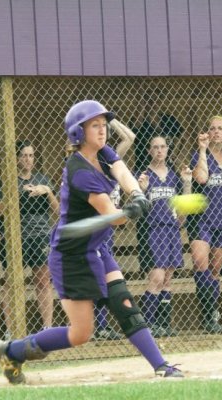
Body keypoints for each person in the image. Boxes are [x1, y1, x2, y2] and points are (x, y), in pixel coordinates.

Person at [0, 100, 183, 384]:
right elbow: (112, 216)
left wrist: (137, 194)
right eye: (95, 125)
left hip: (97, 247)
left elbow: (121, 170)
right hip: (72, 256)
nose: (102, 130)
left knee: (124, 303)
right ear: (77, 133)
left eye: (104, 125)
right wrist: (129, 212)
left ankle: (160, 365)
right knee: (81, 333)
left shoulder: (102, 153)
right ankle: (12, 350)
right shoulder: (79, 171)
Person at [0, 140, 59, 339]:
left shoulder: (42, 179)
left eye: (31, 155)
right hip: (16, 237)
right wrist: (17, 193)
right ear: (16, 158)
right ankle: (11, 330)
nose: (28, 159)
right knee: (12, 282)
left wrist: (46, 191)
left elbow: (57, 211)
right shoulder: (8, 180)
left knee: (43, 282)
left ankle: (47, 328)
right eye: (24, 155)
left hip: (40, 236)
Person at [187, 116, 222, 333]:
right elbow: (201, 178)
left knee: (215, 269)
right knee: (201, 264)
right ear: (207, 133)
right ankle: (209, 316)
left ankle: (212, 316)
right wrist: (202, 150)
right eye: (212, 128)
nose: (216, 132)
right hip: (202, 219)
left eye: (220, 128)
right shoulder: (198, 155)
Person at [137, 135, 192, 337]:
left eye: (162, 147)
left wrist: (187, 183)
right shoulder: (143, 175)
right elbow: (136, 209)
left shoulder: (174, 177)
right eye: (155, 147)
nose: (159, 150)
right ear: (150, 151)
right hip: (153, 230)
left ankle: (163, 324)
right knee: (156, 278)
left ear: (168, 150)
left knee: (168, 279)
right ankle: (146, 326)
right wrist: (141, 191)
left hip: (172, 230)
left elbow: (182, 213)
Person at [93, 118, 135, 340]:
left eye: (105, 131)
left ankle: (103, 325)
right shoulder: (88, 161)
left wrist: (113, 120)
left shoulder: (111, 159)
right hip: (97, 223)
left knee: (107, 274)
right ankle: (100, 325)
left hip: (110, 225)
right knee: (100, 273)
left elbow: (130, 138)